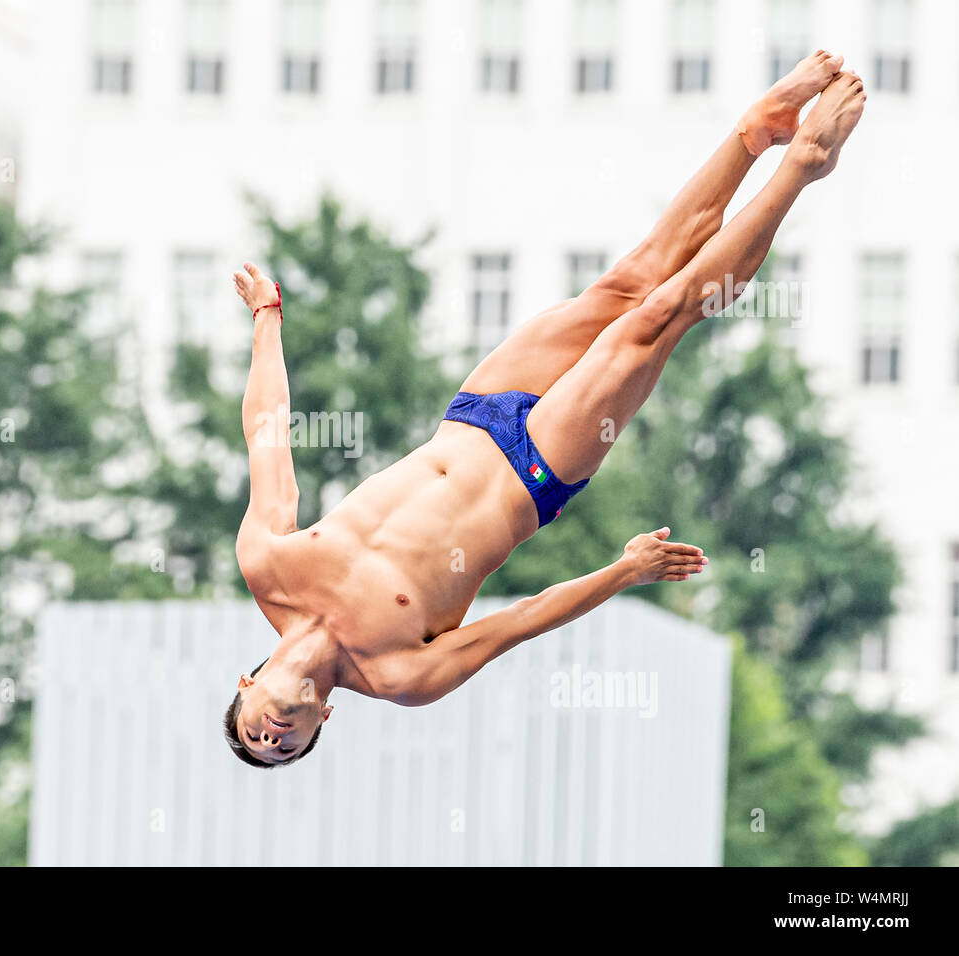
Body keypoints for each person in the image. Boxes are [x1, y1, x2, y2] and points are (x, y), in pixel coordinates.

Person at [224, 53, 864, 767]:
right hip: (535, 469)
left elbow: (267, 438)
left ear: (248, 685)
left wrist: (267, 318)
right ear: (323, 719)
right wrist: (621, 572)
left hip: (474, 415)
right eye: (286, 747)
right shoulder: (399, 675)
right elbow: (520, 621)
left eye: (255, 732)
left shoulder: (269, 565)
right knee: (657, 317)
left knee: (629, 281)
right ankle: (803, 163)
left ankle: (757, 132)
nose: (273, 736)